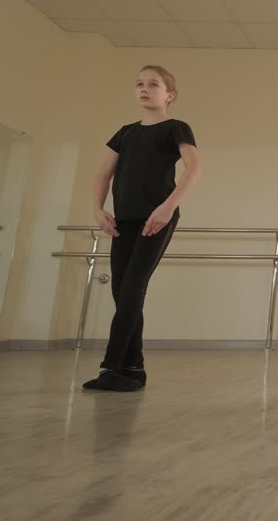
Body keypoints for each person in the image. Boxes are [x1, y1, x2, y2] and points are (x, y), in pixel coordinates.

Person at [84, 65, 202, 392]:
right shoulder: (125, 133)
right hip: (124, 220)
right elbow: (102, 175)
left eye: (153, 84)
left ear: (170, 95)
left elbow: (194, 168)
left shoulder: (176, 128)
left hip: (156, 219)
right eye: (139, 84)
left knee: (133, 287)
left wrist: (168, 207)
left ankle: (111, 366)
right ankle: (134, 368)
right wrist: (97, 209)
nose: (144, 89)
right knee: (122, 292)